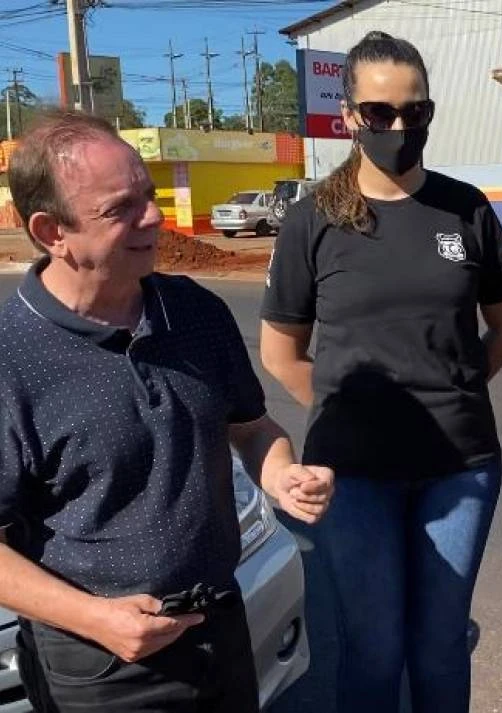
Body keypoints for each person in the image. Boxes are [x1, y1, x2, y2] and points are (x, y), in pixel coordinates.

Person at [0, 111, 334, 713]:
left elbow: (251, 428)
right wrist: (96, 619)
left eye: (149, 197)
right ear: (52, 232)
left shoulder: (196, 312)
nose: (154, 218)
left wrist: (282, 473)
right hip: (101, 666)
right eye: (120, 209)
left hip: (221, 625)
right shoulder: (10, 356)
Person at [259, 31, 502, 713]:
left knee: (439, 645)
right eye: (380, 112)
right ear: (349, 115)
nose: (400, 127)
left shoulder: (466, 208)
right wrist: (346, 411)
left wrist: (459, 388)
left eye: (416, 111)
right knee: (373, 647)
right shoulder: (313, 219)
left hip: (460, 469)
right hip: (352, 475)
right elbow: (281, 352)